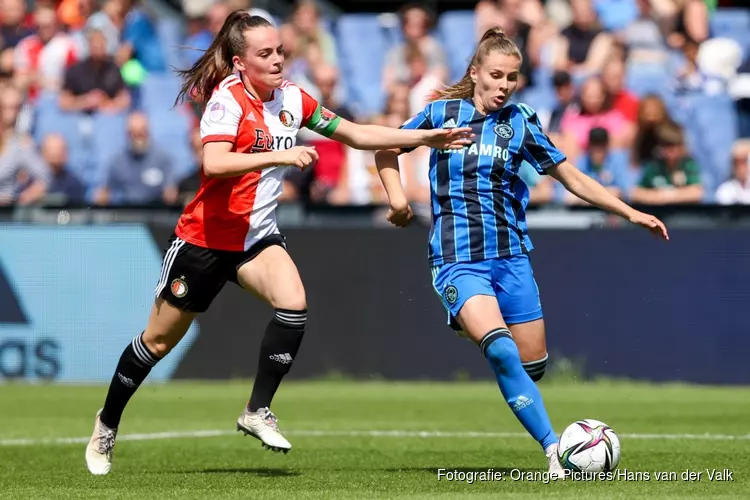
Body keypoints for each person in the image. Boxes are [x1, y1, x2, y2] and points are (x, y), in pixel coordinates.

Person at [84, 12, 473, 476]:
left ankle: (256, 410)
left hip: (256, 238)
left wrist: (425, 137)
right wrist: (280, 154)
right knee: (159, 342)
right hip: (204, 240)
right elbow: (214, 161)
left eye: (279, 51)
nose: (276, 60)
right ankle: (106, 424)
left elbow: (356, 134)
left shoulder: (293, 97)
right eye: (264, 54)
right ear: (239, 63)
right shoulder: (227, 100)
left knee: (294, 304)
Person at [374, 27, 669, 478]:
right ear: (475, 73)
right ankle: (555, 452)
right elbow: (386, 147)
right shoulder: (442, 113)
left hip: (511, 259)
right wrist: (397, 200)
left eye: (512, 77)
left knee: (532, 366)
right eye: (496, 75)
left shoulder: (522, 121)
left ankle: (476, 323)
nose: (505, 86)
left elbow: (572, 178)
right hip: (457, 258)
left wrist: (629, 211)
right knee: (502, 354)